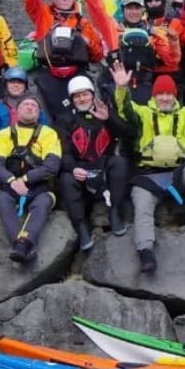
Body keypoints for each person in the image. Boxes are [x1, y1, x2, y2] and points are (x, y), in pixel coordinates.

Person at [113, 63, 185, 274]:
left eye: (169, 94)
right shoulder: (142, 113)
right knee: (142, 202)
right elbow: (125, 109)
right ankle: (146, 252)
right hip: (148, 176)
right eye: (160, 94)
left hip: (176, 173)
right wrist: (122, 88)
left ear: (175, 96)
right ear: (154, 96)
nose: (165, 98)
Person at [20, 0, 113, 119]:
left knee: (81, 118)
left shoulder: (82, 23)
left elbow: (96, 55)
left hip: (76, 75)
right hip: (48, 76)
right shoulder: (43, 15)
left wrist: (85, 42)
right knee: (48, 119)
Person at [57, 73, 129, 252]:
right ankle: (81, 228)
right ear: (72, 99)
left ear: (92, 94)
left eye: (85, 94)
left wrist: (109, 119)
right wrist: (73, 168)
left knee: (119, 163)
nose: (82, 99)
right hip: (80, 170)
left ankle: (115, 213)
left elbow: (128, 133)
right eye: (77, 96)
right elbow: (62, 151)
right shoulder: (64, 119)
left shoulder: (104, 111)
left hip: (103, 168)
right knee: (65, 179)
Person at [0, 94, 63, 264]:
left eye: (34, 106)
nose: (30, 107)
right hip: (10, 185)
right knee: (1, 199)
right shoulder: (1, 135)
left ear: (38, 113)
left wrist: (25, 179)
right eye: (26, 104)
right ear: (17, 110)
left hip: (40, 186)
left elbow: (52, 166)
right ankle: (21, 244)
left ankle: (23, 243)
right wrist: (13, 181)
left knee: (43, 202)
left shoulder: (49, 133)